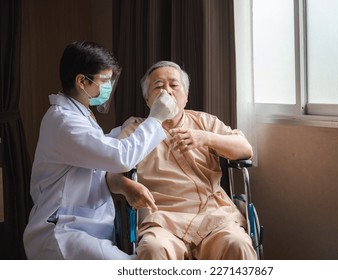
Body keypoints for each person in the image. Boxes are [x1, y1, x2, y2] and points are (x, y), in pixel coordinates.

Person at [23, 42, 178, 259]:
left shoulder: (79, 115)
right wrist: (156, 118)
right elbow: (120, 157)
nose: (107, 87)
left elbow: (98, 146)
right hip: (63, 233)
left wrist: (131, 127)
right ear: (81, 81)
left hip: (84, 229)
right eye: (104, 81)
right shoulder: (64, 122)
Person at [118, 61, 257, 260]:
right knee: (153, 249)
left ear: (186, 96)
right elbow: (110, 173)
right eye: (158, 86)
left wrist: (206, 138)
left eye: (174, 85)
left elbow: (246, 150)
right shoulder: (135, 131)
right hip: (163, 217)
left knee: (237, 244)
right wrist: (126, 186)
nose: (167, 92)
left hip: (214, 215)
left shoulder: (205, 122)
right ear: (148, 100)